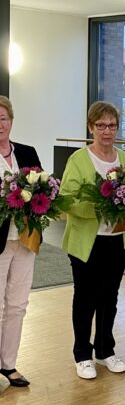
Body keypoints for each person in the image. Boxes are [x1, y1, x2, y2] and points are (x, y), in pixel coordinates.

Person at [60, 102, 125, 380]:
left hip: (117, 240)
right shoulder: (78, 159)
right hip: (87, 242)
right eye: (100, 125)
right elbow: (66, 200)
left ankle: (105, 350)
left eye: (112, 125)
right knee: (85, 298)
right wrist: (99, 207)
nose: (106, 131)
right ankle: (82, 355)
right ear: (91, 127)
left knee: (109, 297)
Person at [0, 95, 41, 387]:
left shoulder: (27, 152)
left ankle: (8, 364)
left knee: (18, 304)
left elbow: (43, 190)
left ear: (11, 121)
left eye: (3, 118)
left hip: (26, 238)